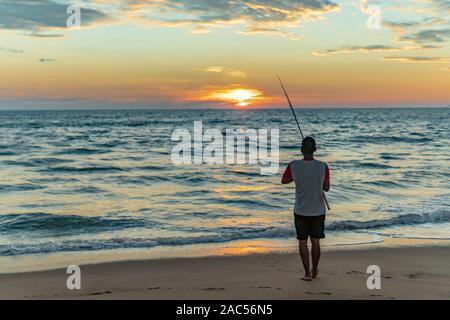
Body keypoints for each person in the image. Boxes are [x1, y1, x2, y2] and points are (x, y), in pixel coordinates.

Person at [281, 137, 330, 281]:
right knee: (316, 242)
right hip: (318, 210)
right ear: (314, 150)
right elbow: (326, 187)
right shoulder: (323, 166)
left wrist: (295, 178)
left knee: (302, 242)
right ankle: (315, 270)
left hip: (301, 210)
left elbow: (284, 181)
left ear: (301, 150)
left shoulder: (293, 165)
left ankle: (307, 273)